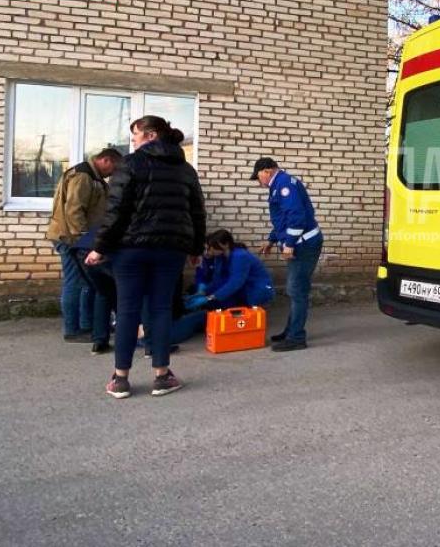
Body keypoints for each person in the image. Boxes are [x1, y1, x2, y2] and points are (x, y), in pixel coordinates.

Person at [86, 116, 206, 399]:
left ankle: (120, 379)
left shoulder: (130, 164)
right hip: (170, 250)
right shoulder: (186, 169)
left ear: (151, 135)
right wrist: (196, 249)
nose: (133, 141)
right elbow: (197, 212)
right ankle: (162, 376)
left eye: (136, 135)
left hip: (131, 250)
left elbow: (116, 211)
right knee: (161, 310)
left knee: (128, 310)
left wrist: (100, 247)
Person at [44, 148, 122, 350]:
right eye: (114, 167)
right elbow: (73, 210)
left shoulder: (91, 176)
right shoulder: (83, 176)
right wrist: (83, 239)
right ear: (105, 160)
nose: (113, 173)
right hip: (71, 238)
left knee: (89, 284)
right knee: (75, 282)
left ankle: (88, 326)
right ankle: (72, 330)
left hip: (78, 238)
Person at [251, 157, 322, 352]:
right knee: (296, 289)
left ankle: (296, 337)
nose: (259, 182)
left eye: (258, 177)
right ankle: (291, 330)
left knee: (296, 290)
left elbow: (296, 215)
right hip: (301, 242)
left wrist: (289, 243)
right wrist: (272, 240)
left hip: (304, 244)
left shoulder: (283, 184)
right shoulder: (280, 184)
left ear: (266, 171)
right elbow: (282, 218)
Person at [173, 229, 275, 344]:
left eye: (210, 248)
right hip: (243, 289)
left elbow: (235, 283)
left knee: (235, 312)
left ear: (224, 244)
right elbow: (218, 280)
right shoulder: (220, 257)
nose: (208, 251)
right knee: (216, 306)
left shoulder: (240, 256)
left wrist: (209, 298)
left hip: (257, 290)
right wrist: (202, 292)